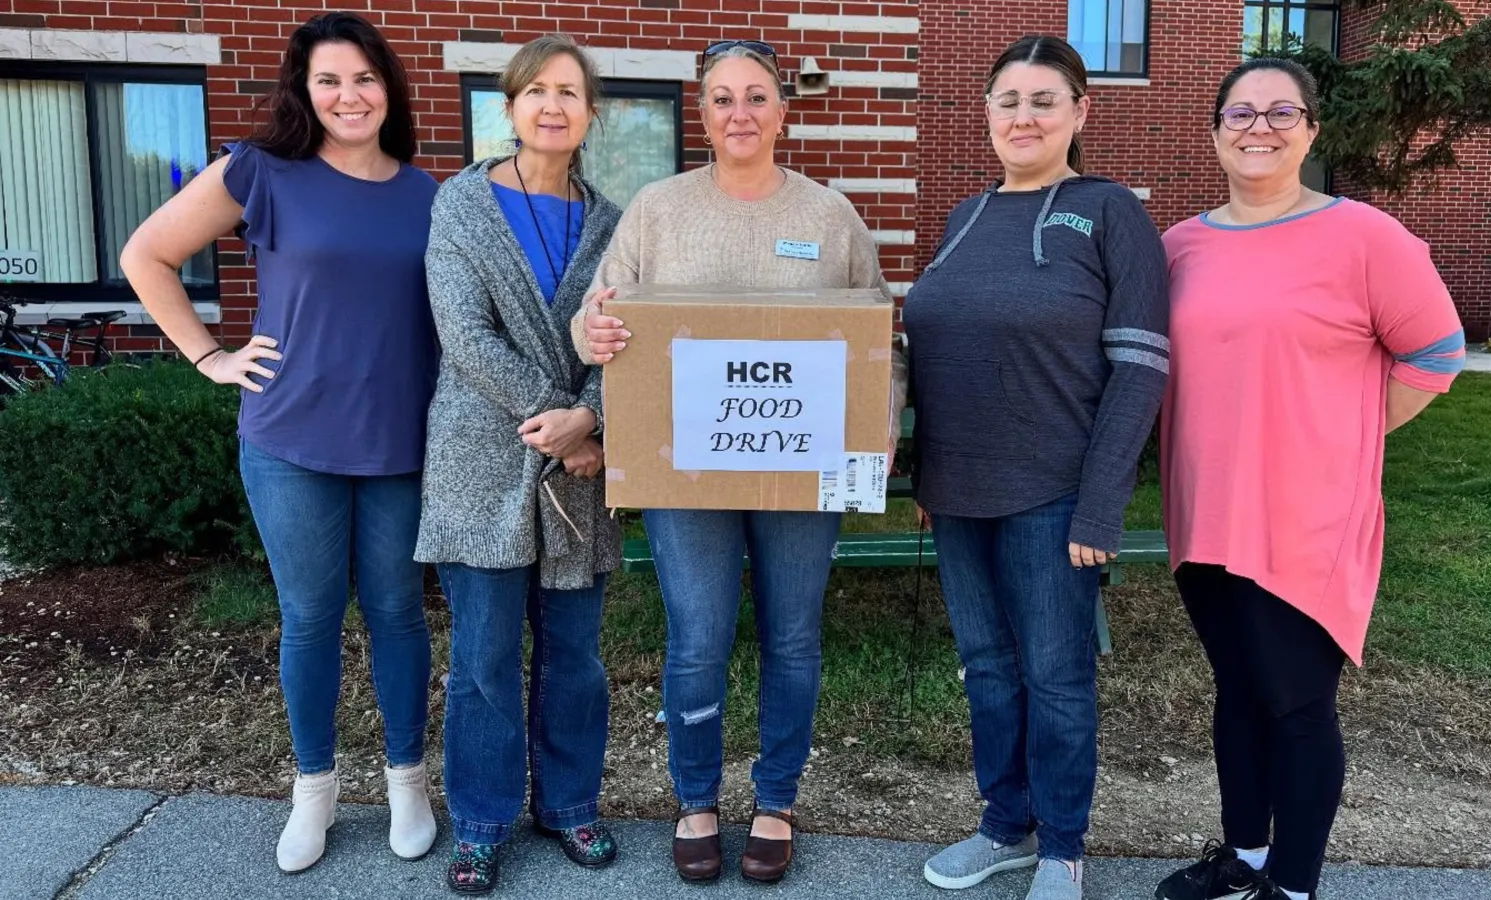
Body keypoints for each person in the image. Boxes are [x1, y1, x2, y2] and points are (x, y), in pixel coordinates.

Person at [575, 39, 906, 886]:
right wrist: (593, 332)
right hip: (685, 470)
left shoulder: (830, 216)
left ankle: (776, 801)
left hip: (801, 465)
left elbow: (878, 337)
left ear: (783, 110)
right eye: (722, 98)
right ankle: (695, 800)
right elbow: (595, 317)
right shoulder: (657, 209)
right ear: (702, 111)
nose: (740, 114)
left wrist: (880, 420)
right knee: (697, 639)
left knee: (793, 636)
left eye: (756, 96)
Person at [119, 11, 439, 874]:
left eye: (365, 78)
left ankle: (408, 782)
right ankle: (315, 792)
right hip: (290, 439)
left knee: (398, 613)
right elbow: (146, 254)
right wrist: (210, 357)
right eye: (329, 79)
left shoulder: (428, 194)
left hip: (400, 443)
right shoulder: (261, 171)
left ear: (388, 87)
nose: (349, 95)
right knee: (309, 617)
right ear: (304, 89)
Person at [1154, 58, 1466, 900]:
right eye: (1241, 113)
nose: (1259, 127)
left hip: (1304, 516)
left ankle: (1292, 888)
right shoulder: (1177, 247)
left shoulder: (1364, 237)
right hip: (1204, 509)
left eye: (1281, 112)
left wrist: (1342, 438)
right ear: (1216, 131)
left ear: (1312, 130)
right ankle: (1246, 860)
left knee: (1295, 703)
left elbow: (1437, 353)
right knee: (1237, 691)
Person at [903, 35, 1169, 900]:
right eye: (1008, 101)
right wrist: (925, 476)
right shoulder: (965, 217)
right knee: (986, 669)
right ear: (987, 113)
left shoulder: (1109, 211)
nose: (1024, 117)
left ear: (1079, 111)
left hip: (1054, 495)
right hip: (958, 493)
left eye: (1043, 100)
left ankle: (1062, 846)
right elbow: (936, 358)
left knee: (1056, 678)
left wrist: (1102, 504)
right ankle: (1005, 826)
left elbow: (1141, 366)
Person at [415, 35, 622, 894]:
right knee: (485, 657)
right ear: (509, 107)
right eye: (536, 90)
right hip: (481, 459)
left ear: (591, 114)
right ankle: (481, 821)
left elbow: (632, 340)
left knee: (574, 655)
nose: (552, 106)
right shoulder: (461, 206)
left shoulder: (614, 223)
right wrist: (563, 421)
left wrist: (593, 420)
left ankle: (569, 805)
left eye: (569, 92)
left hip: (580, 473)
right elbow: (464, 335)